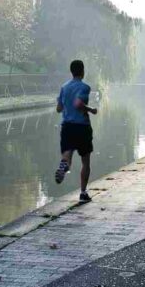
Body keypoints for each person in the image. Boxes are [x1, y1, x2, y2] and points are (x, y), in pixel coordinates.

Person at [55, 59, 97, 202]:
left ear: (71, 72)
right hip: (82, 127)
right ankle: (83, 193)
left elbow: (58, 108)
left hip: (67, 126)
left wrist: (67, 106)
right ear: (83, 71)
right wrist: (91, 109)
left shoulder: (64, 87)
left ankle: (63, 166)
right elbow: (79, 104)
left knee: (67, 156)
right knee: (85, 162)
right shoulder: (84, 87)